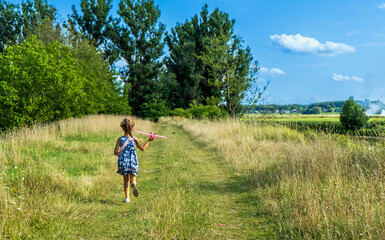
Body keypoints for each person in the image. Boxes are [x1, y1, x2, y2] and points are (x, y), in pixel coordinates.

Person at [114, 118, 154, 203]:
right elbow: (143, 148)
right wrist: (149, 140)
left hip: (123, 161)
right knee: (133, 177)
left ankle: (127, 198)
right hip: (132, 160)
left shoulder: (120, 139)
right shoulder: (134, 139)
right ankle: (133, 184)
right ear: (132, 128)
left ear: (122, 128)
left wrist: (121, 155)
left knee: (125, 180)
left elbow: (115, 152)